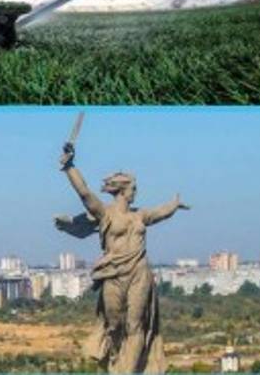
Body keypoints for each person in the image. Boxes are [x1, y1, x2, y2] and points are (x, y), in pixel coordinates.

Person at [57, 142, 188, 374]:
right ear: (123, 190)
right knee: (114, 324)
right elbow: (84, 192)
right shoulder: (105, 213)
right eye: (133, 188)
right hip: (113, 273)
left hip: (139, 273)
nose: (135, 192)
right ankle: (117, 363)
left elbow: (161, 212)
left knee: (136, 325)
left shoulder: (141, 216)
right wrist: (70, 167)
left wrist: (175, 204)